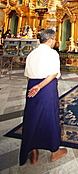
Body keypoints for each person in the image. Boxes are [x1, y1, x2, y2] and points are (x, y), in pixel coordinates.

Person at [19, 29, 67, 166]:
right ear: (50, 40)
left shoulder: (32, 54)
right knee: (50, 117)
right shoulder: (52, 53)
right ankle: (54, 151)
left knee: (32, 117)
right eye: (55, 39)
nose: (55, 41)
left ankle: (33, 151)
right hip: (46, 87)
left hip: (31, 86)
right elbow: (53, 74)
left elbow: (28, 74)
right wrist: (40, 86)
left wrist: (34, 86)